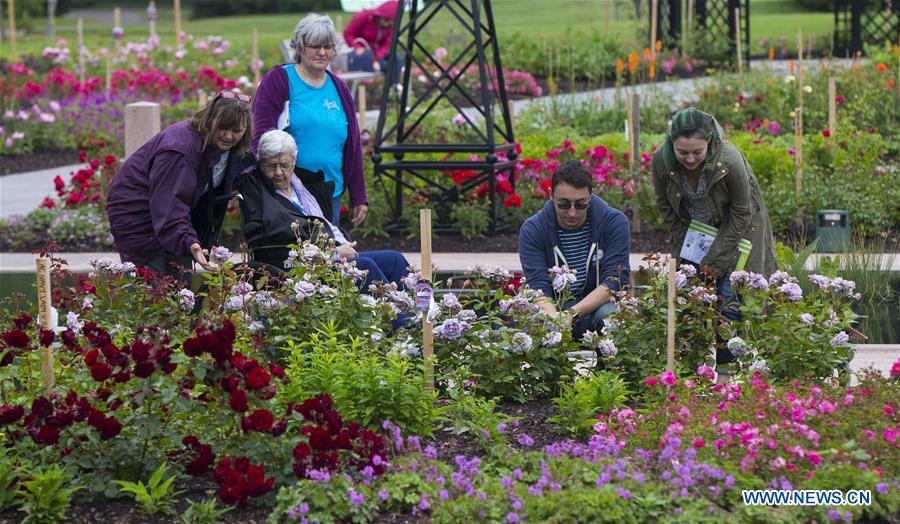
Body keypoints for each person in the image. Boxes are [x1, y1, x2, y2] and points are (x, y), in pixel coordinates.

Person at [651, 107, 777, 383]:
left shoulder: (729, 160)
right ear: (672, 143)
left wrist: (714, 261)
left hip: (740, 229)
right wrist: (687, 248)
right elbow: (665, 206)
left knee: (728, 299)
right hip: (696, 232)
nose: (690, 158)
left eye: (697, 151)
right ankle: (689, 371)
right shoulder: (661, 161)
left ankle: (725, 378)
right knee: (689, 297)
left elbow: (742, 212)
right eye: (683, 152)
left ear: (709, 142)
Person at [237, 130, 409, 292]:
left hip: (333, 254)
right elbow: (276, 238)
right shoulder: (259, 194)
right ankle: (401, 320)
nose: (278, 172)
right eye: (270, 166)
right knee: (366, 266)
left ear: (294, 161)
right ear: (261, 164)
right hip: (301, 268)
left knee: (394, 260)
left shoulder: (302, 185)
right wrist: (330, 253)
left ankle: (423, 316)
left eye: (284, 165)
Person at [107, 90, 253, 278]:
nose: (228, 136)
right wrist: (189, 240)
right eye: (223, 127)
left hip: (169, 218)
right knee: (150, 288)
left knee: (180, 285)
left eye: (236, 131)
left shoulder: (226, 147)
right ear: (210, 120)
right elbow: (170, 203)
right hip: (138, 217)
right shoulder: (180, 150)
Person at [252, 13, 367, 228]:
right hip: (288, 193)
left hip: (330, 191)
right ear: (300, 46)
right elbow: (261, 136)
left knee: (326, 257)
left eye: (328, 46)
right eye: (315, 46)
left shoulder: (339, 88)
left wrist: (359, 196)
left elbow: (352, 144)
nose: (322, 52)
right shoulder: (280, 80)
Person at [519, 160, 631, 340]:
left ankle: (609, 369)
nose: (572, 213)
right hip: (554, 308)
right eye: (563, 204)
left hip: (598, 306)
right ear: (550, 195)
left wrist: (571, 313)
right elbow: (538, 288)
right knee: (533, 329)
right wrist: (554, 319)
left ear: (591, 196)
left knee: (613, 321)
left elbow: (614, 281)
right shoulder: (533, 229)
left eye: (580, 204)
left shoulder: (614, 222)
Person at [343, 0, 399, 80]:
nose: (388, 24)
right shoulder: (364, 16)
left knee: (396, 57)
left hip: (374, 52)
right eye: (386, 20)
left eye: (391, 22)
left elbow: (387, 43)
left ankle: (393, 87)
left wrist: (378, 55)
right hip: (358, 52)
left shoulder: (389, 26)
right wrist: (357, 46)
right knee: (386, 65)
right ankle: (391, 88)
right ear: (380, 15)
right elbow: (348, 34)